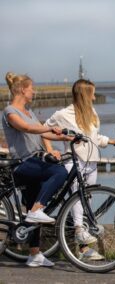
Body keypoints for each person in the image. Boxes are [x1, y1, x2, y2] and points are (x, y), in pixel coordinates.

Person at [44, 78, 115, 261]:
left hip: (92, 162)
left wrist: (110, 141)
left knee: (86, 200)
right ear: (85, 95)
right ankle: (79, 232)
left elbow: (93, 136)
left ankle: (83, 248)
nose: (95, 97)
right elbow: (44, 128)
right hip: (75, 161)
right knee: (78, 197)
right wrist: (50, 149)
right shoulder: (64, 113)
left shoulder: (92, 112)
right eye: (92, 94)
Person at [2, 72, 69, 267]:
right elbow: (28, 129)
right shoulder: (10, 111)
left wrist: (67, 138)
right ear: (23, 89)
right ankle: (36, 211)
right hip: (22, 164)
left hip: (35, 163)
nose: (34, 92)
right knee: (59, 172)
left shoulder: (30, 112)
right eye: (32, 88)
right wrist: (50, 130)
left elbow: (44, 132)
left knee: (34, 206)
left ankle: (34, 255)